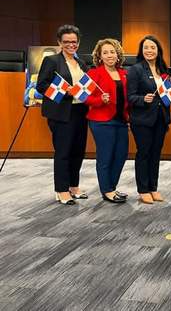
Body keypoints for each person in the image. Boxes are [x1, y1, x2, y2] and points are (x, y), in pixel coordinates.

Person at [36, 25, 89, 205]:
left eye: (74, 42)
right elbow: (41, 86)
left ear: (78, 43)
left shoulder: (81, 63)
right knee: (63, 152)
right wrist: (65, 92)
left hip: (81, 112)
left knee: (78, 151)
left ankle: (74, 186)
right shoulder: (51, 61)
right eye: (66, 42)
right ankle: (61, 189)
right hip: (61, 113)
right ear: (59, 42)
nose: (70, 45)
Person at [127, 35, 170, 204]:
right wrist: (142, 99)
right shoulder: (136, 69)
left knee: (155, 154)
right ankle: (143, 189)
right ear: (141, 51)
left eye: (152, 47)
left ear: (158, 50)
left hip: (161, 118)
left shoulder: (163, 70)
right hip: (142, 119)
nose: (149, 51)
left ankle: (153, 187)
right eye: (146, 47)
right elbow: (130, 96)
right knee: (144, 153)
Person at [86, 38, 129, 204]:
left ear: (118, 54)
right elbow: (83, 96)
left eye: (112, 51)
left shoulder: (124, 73)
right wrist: (99, 101)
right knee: (106, 156)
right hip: (101, 121)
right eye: (105, 52)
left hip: (121, 120)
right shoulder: (94, 73)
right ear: (99, 56)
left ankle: (112, 186)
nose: (109, 55)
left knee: (121, 155)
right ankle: (107, 190)